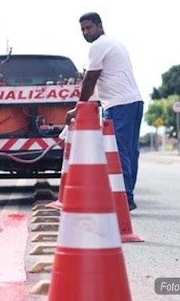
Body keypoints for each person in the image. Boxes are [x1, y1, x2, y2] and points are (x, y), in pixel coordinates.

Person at [66, 12, 143, 211]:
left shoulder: (98, 45)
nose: (85, 32)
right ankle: (128, 196)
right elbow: (110, 79)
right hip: (134, 102)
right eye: (82, 29)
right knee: (130, 151)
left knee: (118, 152)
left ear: (99, 26)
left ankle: (124, 197)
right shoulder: (116, 44)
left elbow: (90, 79)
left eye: (88, 27)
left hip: (119, 106)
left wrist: (78, 108)